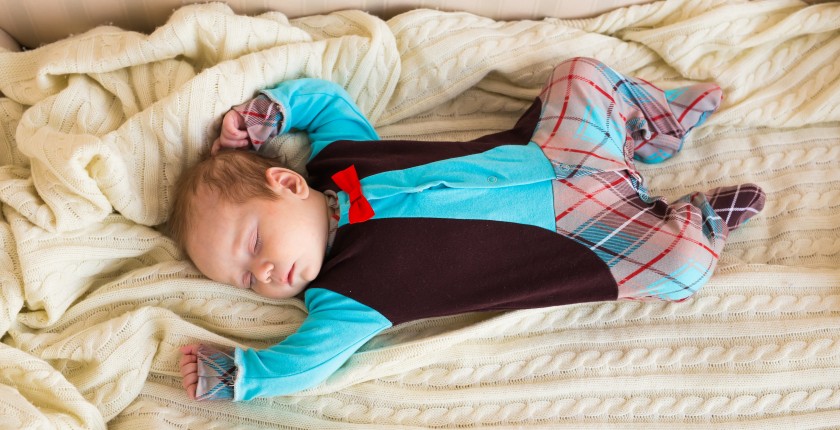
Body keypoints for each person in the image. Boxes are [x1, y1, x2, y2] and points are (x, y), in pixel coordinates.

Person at [170, 57, 766, 402]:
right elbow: (306, 362)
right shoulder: (348, 298)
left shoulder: (341, 162)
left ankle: (655, 124)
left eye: (253, 246)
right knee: (680, 266)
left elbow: (323, 103)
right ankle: (704, 220)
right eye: (248, 281)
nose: (266, 274)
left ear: (289, 183)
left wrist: (272, 111)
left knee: (581, 75)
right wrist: (241, 376)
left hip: (555, 150)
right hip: (587, 239)